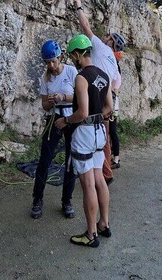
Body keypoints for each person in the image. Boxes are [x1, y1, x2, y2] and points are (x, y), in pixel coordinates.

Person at [55, 34, 113, 247]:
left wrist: (64, 121)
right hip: (100, 132)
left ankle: (90, 235)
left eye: (72, 55)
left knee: (88, 184)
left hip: (85, 133)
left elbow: (82, 112)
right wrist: (99, 117)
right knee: (99, 179)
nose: (72, 59)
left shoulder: (81, 77)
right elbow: (109, 108)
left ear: (79, 54)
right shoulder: (103, 75)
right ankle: (104, 224)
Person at [74, 0, 126, 184]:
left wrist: (78, 5)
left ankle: (94, 172)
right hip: (107, 98)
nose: (105, 36)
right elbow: (113, 86)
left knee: (84, 127)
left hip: (94, 92)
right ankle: (105, 173)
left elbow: (85, 26)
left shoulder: (102, 49)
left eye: (108, 36)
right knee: (104, 137)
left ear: (111, 42)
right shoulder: (114, 62)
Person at [31, 40, 78, 219]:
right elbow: (44, 105)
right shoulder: (46, 77)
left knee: (70, 161)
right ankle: (37, 200)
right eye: (47, 62)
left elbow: (80, 97)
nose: (51, 65)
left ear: (60, 57)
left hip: (70, 118)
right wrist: (50, 101)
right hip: (53, 117)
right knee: (44, 160)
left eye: (53, 61)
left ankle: (67, 200)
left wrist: (63, 96)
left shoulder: (71, 71)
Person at [110, 50, 124, 169]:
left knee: (112, 132)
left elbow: (112, 90)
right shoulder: (117, 71)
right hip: (115, 106)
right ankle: (115, 157)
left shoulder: (114, 73)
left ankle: (116, 159)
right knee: (112, 132)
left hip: (112, 106)